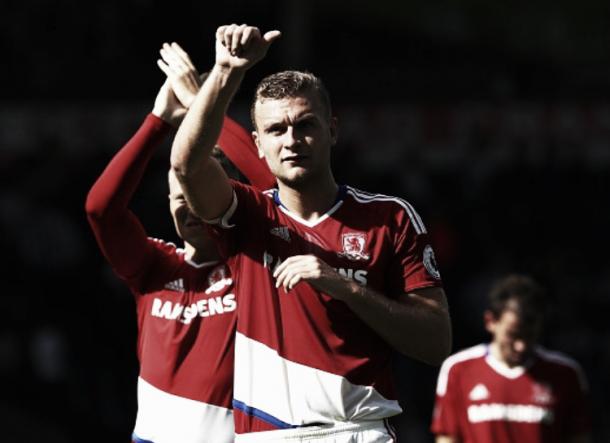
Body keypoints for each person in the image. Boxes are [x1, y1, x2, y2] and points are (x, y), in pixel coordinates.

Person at [170, 24, 452, 442]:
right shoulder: (248, 214)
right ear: (258, 144)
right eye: (276, 130)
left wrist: (343, 286)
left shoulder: (390, 217)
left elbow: (435, 342)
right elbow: (187, 167)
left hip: (360, 431)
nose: (292, 140)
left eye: (305, 125)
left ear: (332, 130)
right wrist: (227, 72)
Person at [85, 42, 273, 443]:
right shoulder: (153, 265)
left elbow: (275, 191)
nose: (188, 209)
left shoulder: (254, 263)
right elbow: (101, 209)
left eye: (196, 197)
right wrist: (158, 121)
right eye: (177, 198)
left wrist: (197, 100)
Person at [431, 274, 591, 443]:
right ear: (490, 321)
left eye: (529, 335)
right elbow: (447, 437)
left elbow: (579, 437)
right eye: (512, 335)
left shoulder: (565, 374)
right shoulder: (459, 369)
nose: (520, 346)